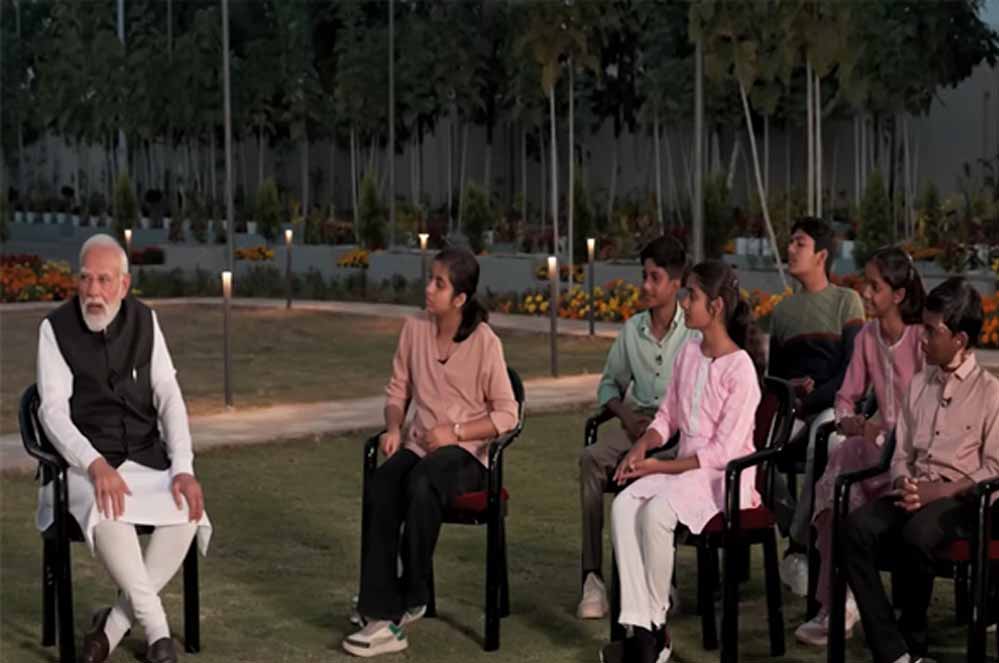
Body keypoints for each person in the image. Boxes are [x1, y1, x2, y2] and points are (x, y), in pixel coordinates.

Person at [35, 234, 211, 663]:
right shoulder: (54, 329)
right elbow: (52, 412)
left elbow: (169, 395)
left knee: (188, 508)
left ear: (124, 284)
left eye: (104, 280)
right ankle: (159, 634)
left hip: (147, 457)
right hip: (83, 466)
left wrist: (183, 467)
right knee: (108, 504)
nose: (93, 291)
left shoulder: (146, 320)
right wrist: (94, 464)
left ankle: (111, 629)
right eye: (85, 278)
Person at [343, 248, 519, 658]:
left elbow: (507, 414)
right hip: (419, 445)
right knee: (384, 482)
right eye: (430, 279)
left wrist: (455, 432)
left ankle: (413, 596)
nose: (428, 289)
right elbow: (397, 391)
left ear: (460, 298)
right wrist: (393, 428)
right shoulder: (414, 329)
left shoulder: (484, 342)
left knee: (423, 482)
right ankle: (378, 606)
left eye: (439, 284)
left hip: (468, 456)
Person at [600, 260, 763, 663]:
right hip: (686, 473)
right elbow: (667, 416)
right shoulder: (689, 352)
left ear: (716, 306)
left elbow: (722, 454)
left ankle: (652, 629)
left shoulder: (740, 369)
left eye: (692, 295)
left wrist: (657, 467)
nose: (684, 302)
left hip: (724, 479)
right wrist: (641, 448)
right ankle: (646, 628)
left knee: (656, 511)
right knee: (624, 504)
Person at [844, 277, 999, 663]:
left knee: (917, 533)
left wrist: (939, 492)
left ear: (960, 339)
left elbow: (994, 469)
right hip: (914, 490)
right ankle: (894, 651)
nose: (922, 340)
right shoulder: (917, 385)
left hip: (963, 501)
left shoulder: (990, 393)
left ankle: (914, 639)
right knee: (855, 528)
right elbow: (901, 453)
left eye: (931, 331)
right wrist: (903, 481)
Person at [795, 246, 926, 646]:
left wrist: (879, 432)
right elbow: (845, 396)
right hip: (874, 452)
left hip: (916, 456)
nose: (865, 293)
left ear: (898, 295)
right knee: (840, 471)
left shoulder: (921, 338)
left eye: (874, 287)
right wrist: (848, 421)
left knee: (848, 472)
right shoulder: (868, 336)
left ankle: (853, 600)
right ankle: (841, 600)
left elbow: (928, 411)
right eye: (865, 284)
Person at [577, 236, 698, 620]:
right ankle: (592, 578)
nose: (645, 285)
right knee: (591, 459)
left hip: (678, 431)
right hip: (636, 424)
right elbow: (608, 386)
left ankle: (661, 581)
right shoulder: (632, 330)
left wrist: (664, 426)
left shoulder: (693, 333)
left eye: (654, 277)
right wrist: (626, 416)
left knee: (655, 470)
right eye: (643, 275)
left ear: (676, 284)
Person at [768, 217, 865, 591]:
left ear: (821, 255)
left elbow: (852, 372)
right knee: (749, 452)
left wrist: (811, 397)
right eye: (790, 242)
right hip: (791, 410)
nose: (790, 249)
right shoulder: (782, 312)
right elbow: (773, 377)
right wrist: (789, 390)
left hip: (830, 406)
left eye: (799, 243)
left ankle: (798, 545)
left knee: (822, 439)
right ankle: (795, 525)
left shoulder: (846, 301)